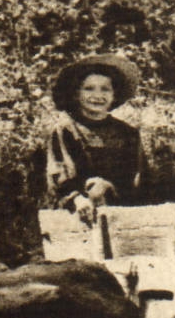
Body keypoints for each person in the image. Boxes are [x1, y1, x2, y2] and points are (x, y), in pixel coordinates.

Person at [33, 53, 148, 225]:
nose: (97, 95)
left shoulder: (128, 133)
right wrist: (78, 199)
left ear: (114, 94)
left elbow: (138, 178)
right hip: (76, 213)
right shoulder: (66, 131)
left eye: (105, 89)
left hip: (121, 212)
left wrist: (110, 187)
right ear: (76, 93)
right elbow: (60, 176)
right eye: (89, 88)